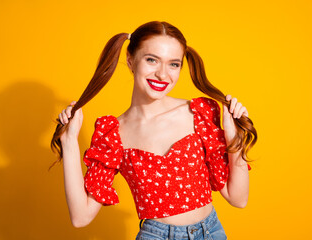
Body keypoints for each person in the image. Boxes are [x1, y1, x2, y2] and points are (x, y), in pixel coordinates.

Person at [51, 21, 257, 240]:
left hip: (211, 232)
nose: (162, 74)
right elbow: (80, 217)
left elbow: (238, 198)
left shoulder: (199, 114)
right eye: (152, 60)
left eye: (173, 64)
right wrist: (70, 140)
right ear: (131, 61)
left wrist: (234, 134)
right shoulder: (113, 134)